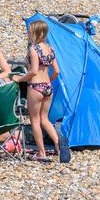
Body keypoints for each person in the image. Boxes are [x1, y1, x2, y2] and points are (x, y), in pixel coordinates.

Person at [26, 19, 68, 163]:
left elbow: (33, 71)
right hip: (47, 87)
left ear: (35, 32)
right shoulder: (50, 48)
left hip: (35, 86)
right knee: (45, 119)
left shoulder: (34, 49)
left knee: (35, 120)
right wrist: (48, 81)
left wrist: (20, 78)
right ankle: (59, 146)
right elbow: (56, 70)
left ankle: (42, 153)